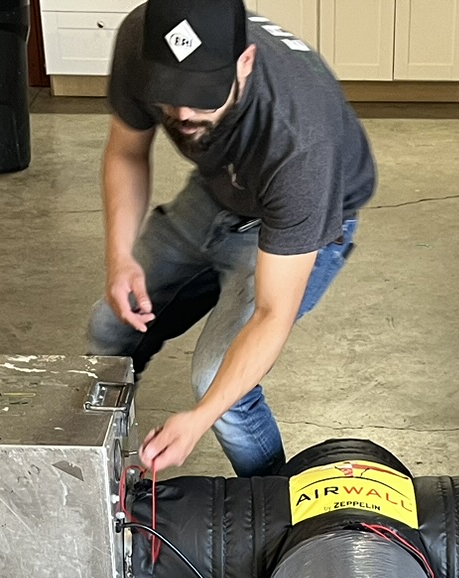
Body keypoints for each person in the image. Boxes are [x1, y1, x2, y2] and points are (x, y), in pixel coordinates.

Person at [90, 0, 376, 476]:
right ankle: (92, 486)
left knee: (216, 385)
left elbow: (271, 314)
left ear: (245, 62)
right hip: (219, 185)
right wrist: (120, 257)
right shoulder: (141, 40)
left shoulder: (300, 143)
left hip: (307, 210)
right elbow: (126, 152)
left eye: (202, 95)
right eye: (169, 94)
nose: (182, 113)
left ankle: (270, 511)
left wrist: (199, 421)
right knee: (108, 329)